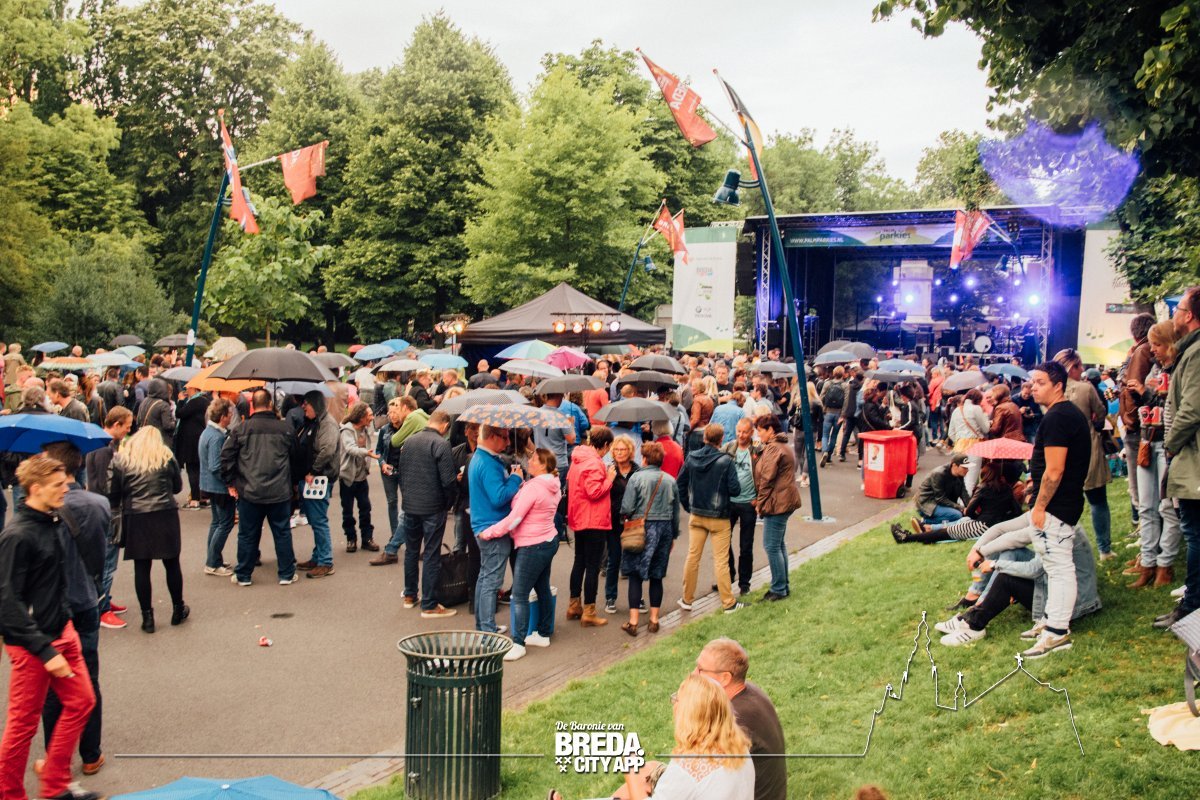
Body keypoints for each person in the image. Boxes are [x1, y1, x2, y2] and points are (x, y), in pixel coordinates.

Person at [964, 361, 1092, 658]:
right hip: (1061, 505)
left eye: (1041, 382)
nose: (1033, 387)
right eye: (1032, 382)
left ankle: (1057, 632)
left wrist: (1040, 506)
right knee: (1053, 568)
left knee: (1059, 569)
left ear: (1058, 385)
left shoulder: (1058, 417)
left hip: (1056, 507)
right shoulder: (1062, 414)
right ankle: (1050, 622)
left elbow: (1055, 470)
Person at [0, 454, 100, 800]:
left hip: (62, 630)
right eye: (58, 485)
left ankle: (55, 785)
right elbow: (6, 602)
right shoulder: (17, 535)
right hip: (33, 645)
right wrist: (44, 650)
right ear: (35, 488)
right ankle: (9, 794)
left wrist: (66, 622)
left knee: (82, 702)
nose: (66, 488)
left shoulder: (53, 519)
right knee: (23, 725)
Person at [936, 521, 1101, 647]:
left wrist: (994, 564)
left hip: (1073, 604)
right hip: (1067, 592)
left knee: (1006, 579)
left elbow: (1034, 570)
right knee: (1009, 551)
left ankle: (974, 625)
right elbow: (1011, 535)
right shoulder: (1059, 518)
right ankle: (976, 608)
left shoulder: (1053, 528)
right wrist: (980, 550)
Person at [620, 673, 754, 799]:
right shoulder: (738, 746)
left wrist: (630, 767)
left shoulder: (688, 766)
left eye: (676, 699)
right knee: (650, 768)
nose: (673, 704)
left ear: (687, 715)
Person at [481, 447, 560, 660]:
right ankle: (543, 633)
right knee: (542, 587)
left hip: (532, 545)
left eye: (533, 459)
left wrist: (489, 532)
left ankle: (518, 642)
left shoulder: (533, 488)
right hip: (548, 540)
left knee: (519, 594)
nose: (529, 461)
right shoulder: (552, 484)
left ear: (543, 465)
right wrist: (520, 482)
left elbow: (514, 518)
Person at [107, 427, 188, 632]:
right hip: (165, 513)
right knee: (172, 563)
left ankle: (148, 617)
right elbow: (177, 487)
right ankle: (178, 608)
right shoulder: (166, 457)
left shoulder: (122, 460)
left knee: (141, 567)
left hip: (137, 515)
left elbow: (113, 492)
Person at [220, 388, 297, 587]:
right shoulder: (285, 429)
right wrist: (293, 482)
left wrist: (230, 481)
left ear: (253, 405)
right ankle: (286, 573)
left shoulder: (241, 429)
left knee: (247, 534)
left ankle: (244, 574)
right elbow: (296, 457)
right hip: (279, 490)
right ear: (270, 404)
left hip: (250, 489)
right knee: (282, 532)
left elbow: (226, 456)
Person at [1126, 321, 1183, 588]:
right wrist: (1140, 394)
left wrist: (1146, 392)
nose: (1153, 350)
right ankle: (1148, 562)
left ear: (1169, 343)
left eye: (1157, 344)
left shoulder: (1180, 369)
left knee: (1167, 508)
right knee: (1147, 507)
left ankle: (1165, 564)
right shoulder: (1154, 369)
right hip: (1147, 440)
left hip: (1167, 443)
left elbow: (1172, 405)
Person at [694, 639, 787, 800]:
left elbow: (704, 779)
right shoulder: (750, 692)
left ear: (725, 678)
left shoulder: (735, 720)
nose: (694, 674)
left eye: (701, 669)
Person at [1157, 286, 1200, 630]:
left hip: (1192, 456)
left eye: (1179, 308)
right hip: (1189, 455)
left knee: (1194, 532)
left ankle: (1193, 607)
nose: (1174, 313)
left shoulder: (1196, 352)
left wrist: (1170, 444)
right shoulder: (1190, 350)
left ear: (1190, 315)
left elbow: (1192, 409)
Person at [678, 423, 745, 614]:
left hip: (697, 514)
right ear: (721, 439)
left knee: (693, 557)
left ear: (704, 437)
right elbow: (735, 489)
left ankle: (687, 599)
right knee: (721, 560)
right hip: (719, 516)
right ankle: (728, 602)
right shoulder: (726, 461)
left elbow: (680, 484)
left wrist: (688, 506)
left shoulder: (692, 457)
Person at [398, 410, 458, 618]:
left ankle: (410, 594)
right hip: (433, 506)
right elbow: (448, 481)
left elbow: (402, 474)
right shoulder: (441, 444)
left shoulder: (410, 441)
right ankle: (430, 603)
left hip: (410, 504)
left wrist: (407, 496)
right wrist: (449, 502)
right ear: (445, 426)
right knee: (431, 554)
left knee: (411, 551)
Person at [1055, 348, 1113, 559]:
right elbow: (1101, 413)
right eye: (1080, 366)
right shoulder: (1086, 389)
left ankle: (1066, 549)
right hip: (1089, 449)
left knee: (1065, 505)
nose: (1082, 371)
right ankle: (1104, 549)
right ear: (1074, 367)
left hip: (1061, 452)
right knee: (1098, 501)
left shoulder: (1053, 391)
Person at [619, 442, 680, 636]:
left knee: (635, 576)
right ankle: (654, 620)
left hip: (641, 529)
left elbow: (627, 507)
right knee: (657, 575)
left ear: (644, 459)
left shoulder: (636, 478)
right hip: (664, 529)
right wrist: (673, 534)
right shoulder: (670, 480)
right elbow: (676, 512)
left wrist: (624, 519)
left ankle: (633, 622)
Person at [893, 459, 1023, 545]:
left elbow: (970, 512)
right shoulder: (1007, 489)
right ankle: (926, 527)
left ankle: (906, 538)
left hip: (982, 526)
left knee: (944, 533)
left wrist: (979, 515)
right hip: (996, 526)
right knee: (957, 525)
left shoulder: (983, 488)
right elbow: (1017, 511)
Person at [470, 424, 523, 634]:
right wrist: (515, 479)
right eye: (504, 437)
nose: (508, 442)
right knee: (491, 581)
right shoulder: (488, 463)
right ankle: (487, 630)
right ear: (492, 436)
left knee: (485, 577)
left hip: (485, 525)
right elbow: (499, 497)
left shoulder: (481, 458)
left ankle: (483, 626)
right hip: (493, 527)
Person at [84, 406, 133, 630]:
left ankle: (104, 599)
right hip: (108, 509)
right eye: (126, 427)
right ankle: (102, 609)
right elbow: (107, 484)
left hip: (101, 507)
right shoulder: (106, 449)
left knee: (104, 559)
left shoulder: (97, 443)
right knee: (107, 562)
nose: (128, 431)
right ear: (116, 424)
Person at [566, 426, 614, 627]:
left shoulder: (578, 459)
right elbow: (594, 492)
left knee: (579, 561)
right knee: (592, 566)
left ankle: (574, 605)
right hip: (594, 519)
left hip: (579, 517)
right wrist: (609, 479)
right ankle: (589, 611)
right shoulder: (594, 462)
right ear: (605, 445)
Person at [294, 390, 342, 578]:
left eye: (307, 403)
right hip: (314, 478)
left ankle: (325, 562)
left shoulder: (327, 424)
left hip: (319, 478)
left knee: (318, 520)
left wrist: (313, 471)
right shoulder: (316, 422)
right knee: (315, 520)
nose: (303, 407)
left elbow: (327, 450)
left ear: (316, 405)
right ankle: (318, 557)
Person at [753, 415, 801, 602]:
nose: (758, 434)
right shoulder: (782, 445)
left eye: (760, 431)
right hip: (784, 500)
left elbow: (767, 479)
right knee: (778, 545)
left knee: (771, 545)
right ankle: (782, 585)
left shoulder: (773, 448)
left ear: (770, 430)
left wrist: (760, 503)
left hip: (778, 502)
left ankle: (779, 588)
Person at [1119, 312, 1157, 524]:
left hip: (1137, 426)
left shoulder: (1142, 351)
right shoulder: (1141, 350)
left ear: (1134, 332)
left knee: (1139, 486)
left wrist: (1130, 422)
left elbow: (1132, 388)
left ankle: (1145, 530)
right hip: (1141, 422)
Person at [722, 418, 760, 596]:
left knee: (746, 545)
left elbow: (764, 474)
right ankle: (727, 576)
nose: (741, 435)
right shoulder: (729, 447)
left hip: (748, 503)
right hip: (729, 502)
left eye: (745, 432)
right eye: (739, 431)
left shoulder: (758, 449)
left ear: (751, 432)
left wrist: (759, 498)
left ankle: (744, 583)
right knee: (723, 541)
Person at [199, 398, 235, 577]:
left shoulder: (208, 432)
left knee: (217, 522)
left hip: (209, 485)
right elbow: (215, 466)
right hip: (219, 487)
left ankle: (214, 558)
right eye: (229, 415)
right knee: (225, 523)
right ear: (222, 417)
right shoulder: (216, 437)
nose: (231, 417)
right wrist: (229, 482)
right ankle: (212, 562)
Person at [604, 435, 639, 615]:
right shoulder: (609, 470)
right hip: (613, 521)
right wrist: (608, 479)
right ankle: (610, 597)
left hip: (633, 521)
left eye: (623, 449)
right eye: (616, 449)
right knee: (614, 559)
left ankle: (637, 597)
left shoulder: (638, 471)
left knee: (634, 559)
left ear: (630, 451)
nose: (619, 453)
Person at [338, 402, 378, 554]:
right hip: (348, 478)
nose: (372, 417)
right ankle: (351, 539)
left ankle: (367, 539)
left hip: (361, 478)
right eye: (369, 415)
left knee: (365, 509)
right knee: (348, 511)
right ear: (361, 417)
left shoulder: (366, 429)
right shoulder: (347, 431)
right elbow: (350, 449)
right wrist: (366, 453)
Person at [174, 384, 210, 510]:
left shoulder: (195, 401)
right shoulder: (205, 401)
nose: (186, 390)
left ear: (194, 388)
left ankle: (195, 499)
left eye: (188, 388)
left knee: (192, 469)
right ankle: (203, 496)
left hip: (191, 440)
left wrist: (180, 401)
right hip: (199, 437)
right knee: (200, 469)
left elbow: (180, 413)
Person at [376, 397, 405, 548]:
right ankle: (395, 534)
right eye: (390, 413)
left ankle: (403, 533)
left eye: (396, 412)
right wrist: (382, 463)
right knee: (392, 501)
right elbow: (378, 451)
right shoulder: (384, 430)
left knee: (407, 503)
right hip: (388, 470)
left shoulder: (407, 428)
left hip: (405, 470)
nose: (393, 416)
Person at [135, 377, 177, 447]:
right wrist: (175, 422)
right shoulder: (164, 405)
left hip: (144, 437)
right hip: (158, 439)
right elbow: (167, 425)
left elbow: (138, 420)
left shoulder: (145, 400)